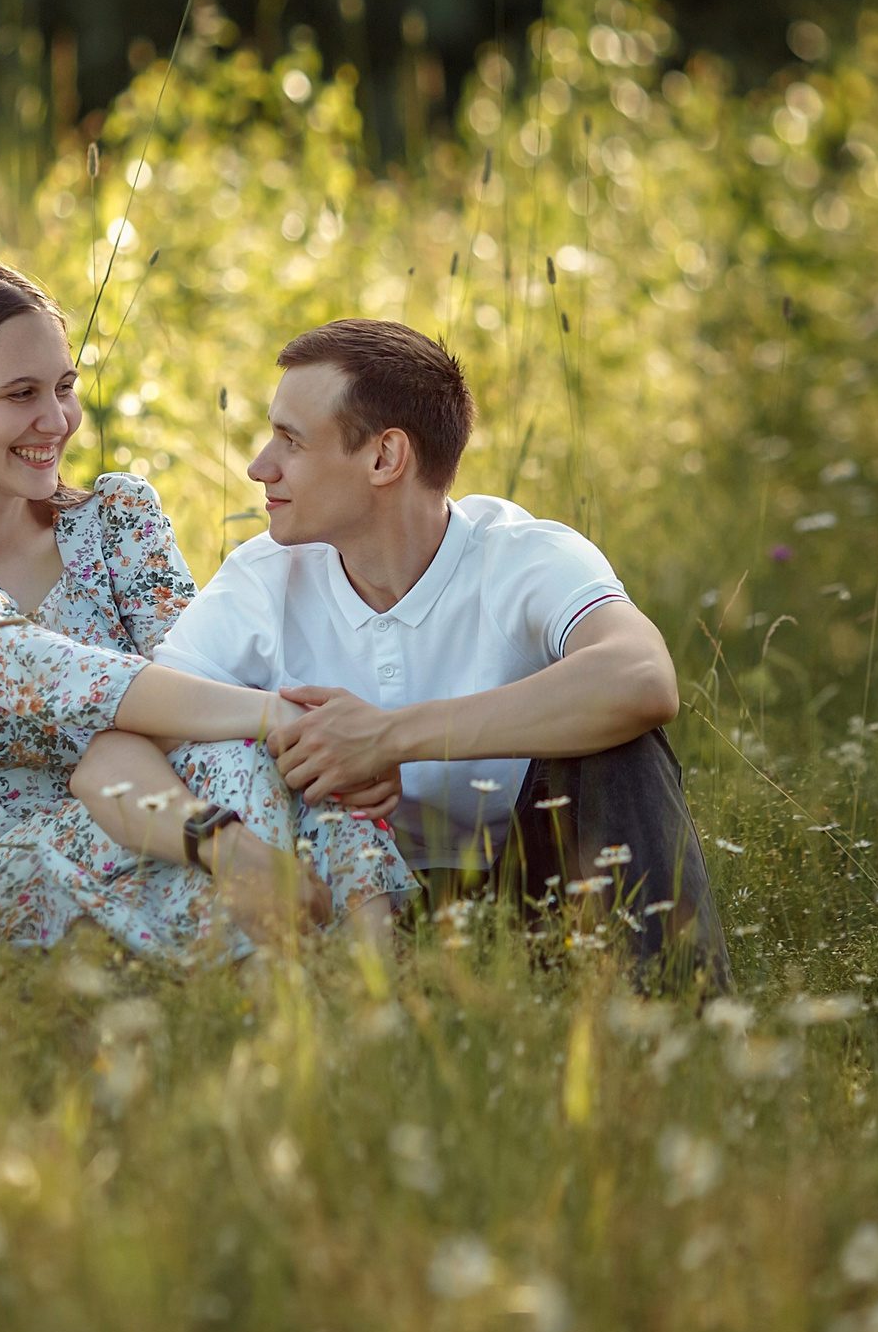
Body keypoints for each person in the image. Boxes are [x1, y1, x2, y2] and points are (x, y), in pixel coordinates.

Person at [108, 318, 731, 990]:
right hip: (349, 910)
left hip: (546, 894)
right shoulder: (265, 578)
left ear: (384, 458)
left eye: (291, 439)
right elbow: (123, 730)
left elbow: (642, 677)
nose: (261, 465)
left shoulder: (523, 555)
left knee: (621, 743)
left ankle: (679, 1015)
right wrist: (225, 840)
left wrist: (388, 738)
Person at [0, 259, 410, 964]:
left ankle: (365, 981)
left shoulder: (118, 519)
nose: (56, 419)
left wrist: (310, 739)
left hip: (152, 803)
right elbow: (30, 666)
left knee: (256, 764)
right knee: (235, 773)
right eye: (20, 394)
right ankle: (283, 981)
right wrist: (273, 717)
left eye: (64, 387)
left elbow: (197, 680)